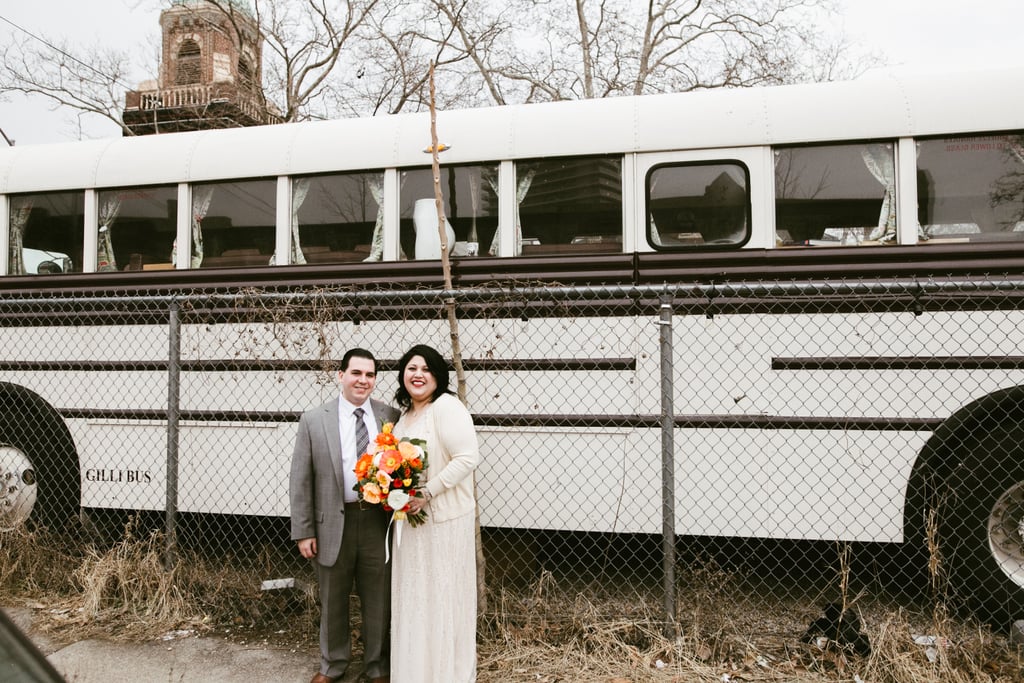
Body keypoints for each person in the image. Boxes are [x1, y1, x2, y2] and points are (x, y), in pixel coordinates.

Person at [290, 348, 400, 683]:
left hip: (376, 523)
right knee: (333, 600)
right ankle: (333, 665)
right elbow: (301, 478)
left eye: (369, 375)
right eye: (356, 373)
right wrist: (304, 530)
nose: (362, 381)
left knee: (378, 600)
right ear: (341, 375)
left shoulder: (389, 416)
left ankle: (377, 667)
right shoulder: (314, 419)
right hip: (331, 523)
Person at [390, 344, 480, 682]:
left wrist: (428, 492)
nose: (418, 374)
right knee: (415, 600)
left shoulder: (446, 407)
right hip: (411, 527)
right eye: (412, 368)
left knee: (441, 599)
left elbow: (467, 459)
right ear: (403, 375)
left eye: (426, 369)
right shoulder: (404, 417)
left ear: (437, 376)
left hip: (443, 523)